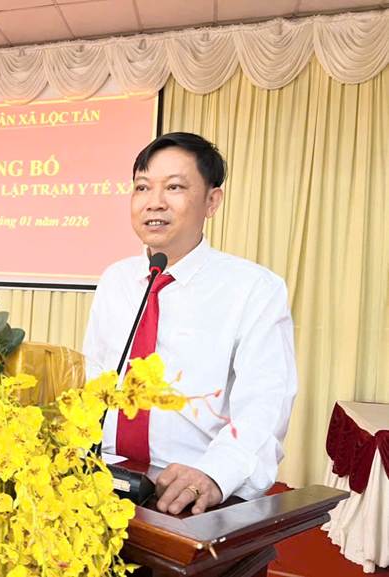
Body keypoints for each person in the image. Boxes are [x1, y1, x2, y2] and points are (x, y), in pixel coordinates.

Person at [83, 132, 297, 515]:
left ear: (212, 201)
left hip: (190, 494)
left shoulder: (254, 288)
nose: (154, 202)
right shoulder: (116, 279)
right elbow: (96, 377)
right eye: (142, 187)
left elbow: (264, 406)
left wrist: (214, 474)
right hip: (107, 480)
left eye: (174, 187)